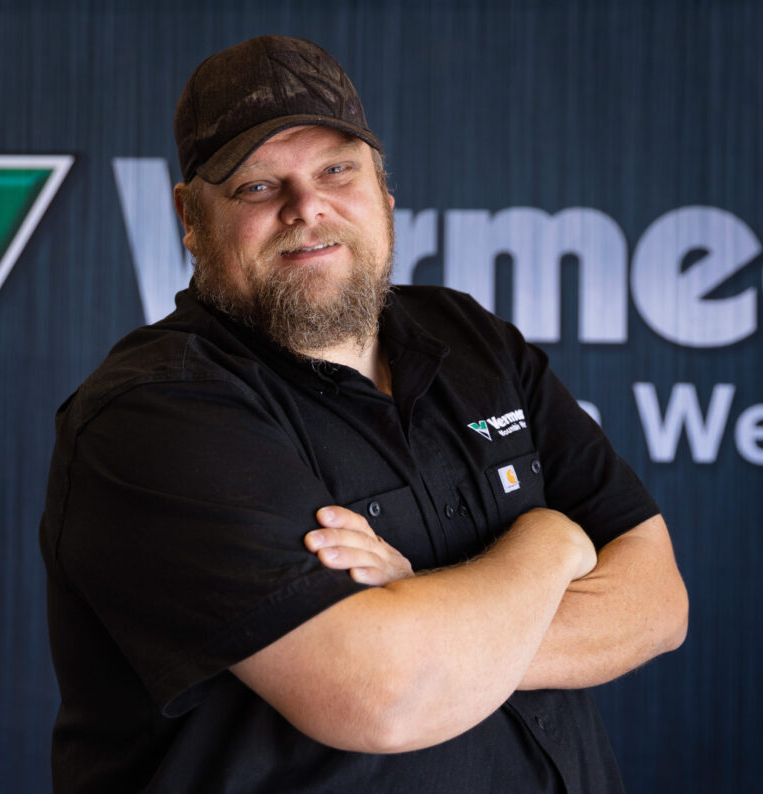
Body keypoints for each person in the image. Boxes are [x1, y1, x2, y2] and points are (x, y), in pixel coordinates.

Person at [40, 34, 688, 793]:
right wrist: (549, 543)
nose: (305, 207)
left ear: (383, 189)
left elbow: (657, 604)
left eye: (336, 170)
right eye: (256, 186)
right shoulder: (153, 410)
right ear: (190, 216)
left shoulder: (475, 340)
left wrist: (432, 626)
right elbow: (383, 696)